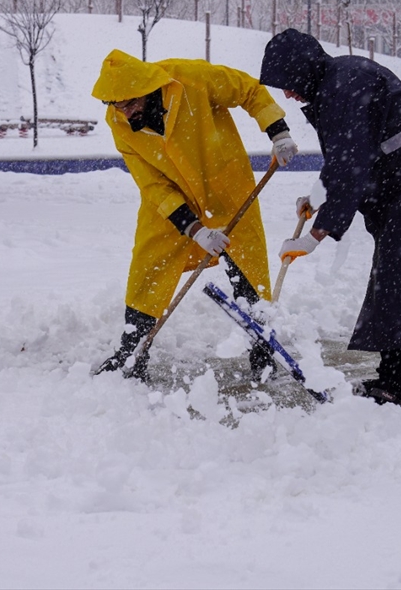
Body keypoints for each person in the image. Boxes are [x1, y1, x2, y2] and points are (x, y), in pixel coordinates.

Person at [260, 28, 401, 414]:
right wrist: (318, 197)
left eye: (288, 83)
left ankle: (399, 386)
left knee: (397, 281)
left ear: (302, 70)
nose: (287, 94)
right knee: (398, 281)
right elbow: (346, 157)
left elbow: (351, 163)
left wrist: (315, 236)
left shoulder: (343, 86)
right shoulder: (338, 81)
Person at [91, 49, 299, 380]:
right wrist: (193, 228)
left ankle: (262, 352)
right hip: (171, 200)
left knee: (247, 271)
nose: (124, 112)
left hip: (225, 189)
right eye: (116, 105)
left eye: (129, 103)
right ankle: (131, 353)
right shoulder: (119, 122)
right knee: (148, 270)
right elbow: (152, 183)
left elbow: (248, 89)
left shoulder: (190, 79)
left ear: (146, 89)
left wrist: (278, 131)